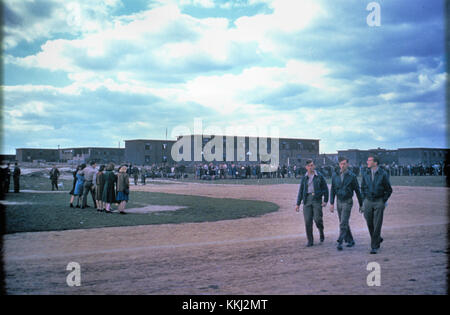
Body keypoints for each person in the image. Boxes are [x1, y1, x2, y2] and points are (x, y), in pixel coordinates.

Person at [360, 155, 393, 254]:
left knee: (377, 224)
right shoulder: (365, 173)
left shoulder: (383, 174)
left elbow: (389, 189)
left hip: (379, 201)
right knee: (369, 222)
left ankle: (374, 246)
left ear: (375, 162)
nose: (367, 162)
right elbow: (362, 188)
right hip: (368, 201)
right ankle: (377, 238)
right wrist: (363, 200)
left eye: (369, 160)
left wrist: (383, 200)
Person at [330, 157, 363, 251]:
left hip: (347, 201)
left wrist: (361, 204)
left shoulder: (352, 176)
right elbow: (332, 189)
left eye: (344, 163)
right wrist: (331, 203)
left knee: (343, 222)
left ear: (348, 164)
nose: (342, 165)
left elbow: (357, 191)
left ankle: (340, 241)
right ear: (339, 164)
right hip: (338, 201)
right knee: (343, 222)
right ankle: (350, 240)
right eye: (341, 163)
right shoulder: (335, 175)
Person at [295, 159, 329, 247]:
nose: (311, 167)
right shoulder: (304, 178)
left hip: (316, 199)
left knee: (318, 219)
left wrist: (325, 200)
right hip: (307, 200)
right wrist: (298, 204)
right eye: (309, 165)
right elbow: (301, 191)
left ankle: (321, 231)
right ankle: (310, 240)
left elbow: (325, 189)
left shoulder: (319, 176)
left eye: (312, 165)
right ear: (306, 167)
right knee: (307, 221)